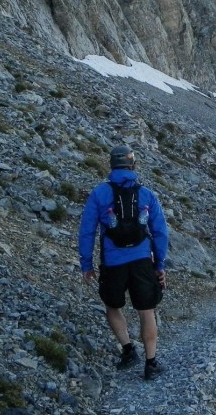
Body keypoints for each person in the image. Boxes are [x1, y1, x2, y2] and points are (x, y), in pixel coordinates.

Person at [77, 145, 169, 380]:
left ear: (111, 165)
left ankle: (128, 350)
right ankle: (151, 363)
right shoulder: (147, 194)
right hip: (141, 261)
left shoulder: (99, 193)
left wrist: (86, 264)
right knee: (146, 311)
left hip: (113, 261)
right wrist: (159, 265)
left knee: (112, 305)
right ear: (133, 166)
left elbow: (87, 231)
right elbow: (160, 232)